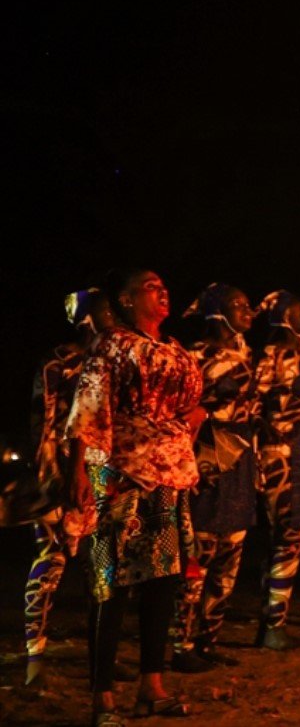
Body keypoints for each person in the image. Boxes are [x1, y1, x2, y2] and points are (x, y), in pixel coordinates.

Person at [64, 269, 203, 723]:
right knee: (112, 581)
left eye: (165, 285)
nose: (162, 291)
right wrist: (78, 471)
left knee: (162, 578)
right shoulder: (114, 345)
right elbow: (88, 405)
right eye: (150, 286)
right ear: (126, 299)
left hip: (169, 475)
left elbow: (185, 404)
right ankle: (102, 698)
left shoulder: (175, 349)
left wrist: (191, 418)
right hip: (120, 470)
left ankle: (152, 685)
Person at [22, 288, 112, 688]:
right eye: (105, 309)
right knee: (49, 561)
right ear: (86, 316)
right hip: (60, 471)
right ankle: (34, 656)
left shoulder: (111, 359)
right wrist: (52, 478)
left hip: (103, 470)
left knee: (103, 569)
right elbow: (43, 424)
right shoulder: (59, 361)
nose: (113, 315)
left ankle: (101, 660)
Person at [171, 283, 260, 672]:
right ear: (217, 312)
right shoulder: (193, 356)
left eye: (248, 303)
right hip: (207, 462)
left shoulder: (247, 355)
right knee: (198, 557)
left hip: (239, 462)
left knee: (231, 555)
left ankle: (209, 640)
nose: (249, 310)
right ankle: (181, 644)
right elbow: (184, 408)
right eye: (238, 305)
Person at [252, 289, 300, 651]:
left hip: (299, 450)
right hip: (279, 453)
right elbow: (253, 400)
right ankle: (273, 625)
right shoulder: (273, 355)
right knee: (289, 533)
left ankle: (274, 619)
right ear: (285, 317)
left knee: (292, 535)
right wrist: (269, 433)